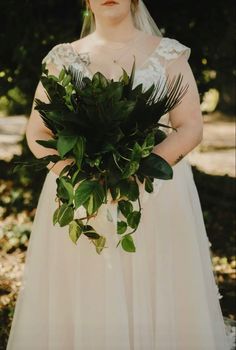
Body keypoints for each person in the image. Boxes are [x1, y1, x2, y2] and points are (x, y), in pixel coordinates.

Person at [6, 1, 234, 349]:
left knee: (154, 281)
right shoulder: (62, 58)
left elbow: (189, 127)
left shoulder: (167, 54)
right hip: (83, 196)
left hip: (154, 193)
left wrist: (134, 172)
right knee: (89, 283)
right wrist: (79, 175)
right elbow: (39, 133)